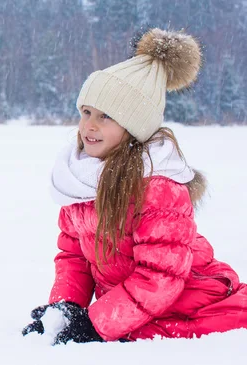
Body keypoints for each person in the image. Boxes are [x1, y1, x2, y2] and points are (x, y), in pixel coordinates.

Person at [22, 28, 247, 344]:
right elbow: (74, 255)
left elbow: (161, 277)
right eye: (85, 112)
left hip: (190, 302)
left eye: (105, 116)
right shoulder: (82, 180)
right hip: (134, 306)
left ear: (133, 127)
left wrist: (97, 325)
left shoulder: (159, 187)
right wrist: (66, 307)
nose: (90, 124)